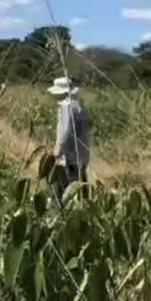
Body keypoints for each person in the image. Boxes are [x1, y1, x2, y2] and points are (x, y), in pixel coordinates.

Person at [47, 76, 90, 206]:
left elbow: (66, 131)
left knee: (61, 192)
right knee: (78, 190)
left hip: (68, 158)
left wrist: (58, 150)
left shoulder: (66, 106)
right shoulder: (79, 106)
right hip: (80, 157)